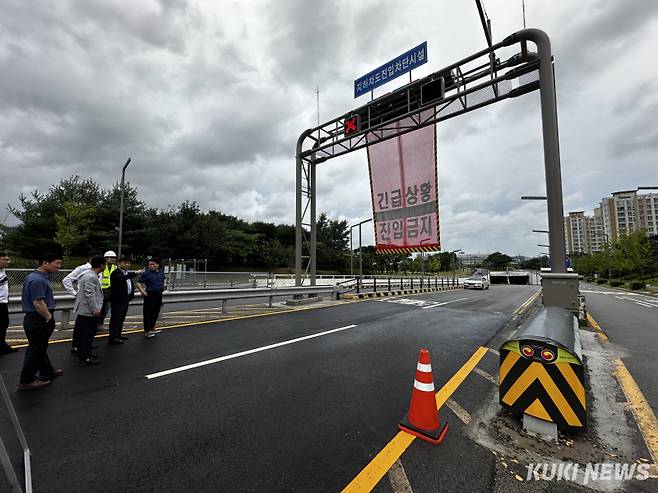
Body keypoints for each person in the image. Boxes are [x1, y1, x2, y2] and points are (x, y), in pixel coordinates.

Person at [19, 253, 64, 390]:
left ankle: (47, 371)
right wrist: (49, 318)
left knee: (40, 347)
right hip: (39, 318)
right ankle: (26, 381)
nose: (59, 266)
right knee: (35, 349)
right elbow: (38, 303)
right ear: (45, 263)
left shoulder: (37, 277)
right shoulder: (38, 280)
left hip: (37, 318)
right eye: (57, 263)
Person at [72, 256, 105, 365]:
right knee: (88, 334)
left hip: (83, 310)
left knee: (82, 333)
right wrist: (95, 309)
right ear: (101, 265)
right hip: (88, 311)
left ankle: (84, 353)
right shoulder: (92, 277)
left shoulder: (88, 275)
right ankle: (85, 358)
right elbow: (89, 294)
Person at [108, 257, 144, 345]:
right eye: (125, 263)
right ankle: (113, 337)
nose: (127, 265)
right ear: (119, 263)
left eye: (128, 263)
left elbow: (129, 283)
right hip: (118, 300)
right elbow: (121, 278)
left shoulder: (126, 272)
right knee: (115, 319)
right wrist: (135, 273)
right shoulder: (116, 273)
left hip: (125, 299)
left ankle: (118, 335)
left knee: (121, 318)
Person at [137, 258, 166, 338]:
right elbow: (138, 282)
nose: (151, 266)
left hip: (159, 294)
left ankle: (152, 327)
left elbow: (164, 279)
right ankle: (147, 330)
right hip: (150, 295)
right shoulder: (147, 273)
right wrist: (142, 292)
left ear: (157, 265)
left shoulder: (161, 272)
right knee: (148, 313)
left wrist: (164, 285)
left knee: (155, 311)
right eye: (150, 264)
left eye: (153, 264)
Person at [0, 253, 17, 355]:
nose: (7, 262)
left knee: (3, 325)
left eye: (8, 259)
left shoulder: (2, 271)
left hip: (3, 303)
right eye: (4, 259)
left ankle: (2, 346)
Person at [97, 250, 117, 330]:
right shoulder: (101, 267)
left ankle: (100, 323)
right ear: (105, 258)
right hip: (101, 291)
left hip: (110, 291)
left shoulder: (115, 267)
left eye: (114, 258)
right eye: (111, 258)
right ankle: (96, 324)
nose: (113, 259)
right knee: (98, 309)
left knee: (106, 309)